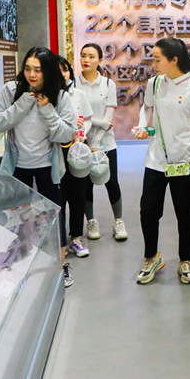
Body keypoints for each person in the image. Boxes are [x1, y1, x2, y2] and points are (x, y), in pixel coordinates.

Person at [0, 47, 78, 287]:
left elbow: (68, 134)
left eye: (38, 70)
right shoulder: (11, 90)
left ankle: (61, 266)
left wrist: (47, 109)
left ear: (47, 72)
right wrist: (23, 103)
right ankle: (19, 264)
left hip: (48, 167)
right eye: (28, 69)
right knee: (17, 218)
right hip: (17, 167)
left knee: (54, 217)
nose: (31, 74)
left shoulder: (60, 96)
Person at [134, 38, 190, 285]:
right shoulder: (154, 83)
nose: (153, 64)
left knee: (184, 214)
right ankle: (151, 257)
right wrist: (142, 126)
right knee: (148, 211)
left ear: (174, 60)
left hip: (183, 161)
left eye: (157, 59)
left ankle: (185, 260)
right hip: (156, 159)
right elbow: (146, 108)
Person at [76, 43, 125, 242]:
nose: (86, 60)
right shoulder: (73, 84)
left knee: (111, 182)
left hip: (105, 143)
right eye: (83, 55)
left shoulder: (108, 84)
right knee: (85, 184)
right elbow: (77, 117)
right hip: (81, 142)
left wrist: (95, 141)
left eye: (91, 56)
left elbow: (108, 120)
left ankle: (118, 221)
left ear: (100, 60)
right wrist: (92, 132)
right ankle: (91, 222)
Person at [59, 57, 94, 260]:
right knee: (59, 196)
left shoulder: (79, 94)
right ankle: (59, 241)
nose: (63, 74)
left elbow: (87, 119)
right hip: (57, 151)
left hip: (78, 149)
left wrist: (82, 133)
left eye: (65, 70)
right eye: (58, 71)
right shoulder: (47, 96)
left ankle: (76, 238)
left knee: (78, 194)